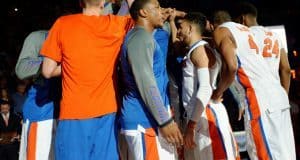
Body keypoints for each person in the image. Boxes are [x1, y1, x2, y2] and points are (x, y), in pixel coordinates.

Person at [40, 0, 134, 159]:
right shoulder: (115, 25)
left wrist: (74, 63)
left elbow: (47, 71)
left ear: (80, 2)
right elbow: (138, 10)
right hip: (106, 111)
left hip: (74, 112)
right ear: (103, 3)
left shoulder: (63, 24)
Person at [212, 10, 295, 160]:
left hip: (259, 97)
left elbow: (232, 66)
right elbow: (286, 69)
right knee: (285, 154)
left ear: (242, 19)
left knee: (263, 154)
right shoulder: (269, 34)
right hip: (280, 95)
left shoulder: (224, 31)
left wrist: (218, 92)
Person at [119, 0, 183, 159]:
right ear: (143, 13)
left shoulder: (144, 37)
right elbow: (146, 82)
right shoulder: (139, 37)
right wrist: (165, 121)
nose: (162, 12)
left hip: (151, 119)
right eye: (157, 7)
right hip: (145, 121)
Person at [175, 12, 239, 160]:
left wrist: (191, 125)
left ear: (190, 28)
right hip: (197, 115)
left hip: (205, 114)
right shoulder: (197, 48)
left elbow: (205, 89)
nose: (178, 31)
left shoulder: (200, 50)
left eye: (180, 27)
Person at [15, 30, 60, 160]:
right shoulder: (39, 37)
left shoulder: (84, 36)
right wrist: (46, 61)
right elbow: (22, 68)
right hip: (42, 117)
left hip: (69, 114)